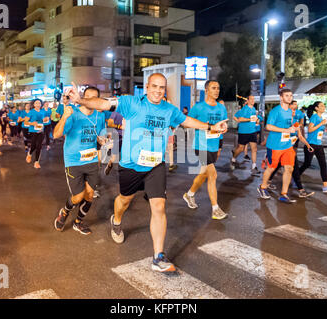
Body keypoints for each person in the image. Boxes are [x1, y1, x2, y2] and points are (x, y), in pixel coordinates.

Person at [65, 73, 228, 273]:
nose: (158, 91)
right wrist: (80, 99)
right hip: (131, 165)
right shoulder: (131, 102)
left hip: (155, 166)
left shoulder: (169, 109)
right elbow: (104, 104)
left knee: (159, 206)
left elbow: (187, 121)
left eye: (162, 87)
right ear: (147, 87)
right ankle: (116, 221)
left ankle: (158, 256)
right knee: (124, 201)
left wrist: (212, 127)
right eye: (155, 86)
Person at [53, 87, 106, 235]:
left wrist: (103, 139)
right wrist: (64, 117)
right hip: (74, 161)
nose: (91, 100)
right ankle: (64, 212)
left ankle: (78, 222)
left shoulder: (99, 116)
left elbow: (100, 134)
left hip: (91, 160)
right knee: (78, 197)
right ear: (82, 97)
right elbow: (56, 134)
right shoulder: (73, 113)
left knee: (89, 195)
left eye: (94, 97)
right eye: (87, 97)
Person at [183, 80, 229, 220]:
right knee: (213, 175)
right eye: (213, 88)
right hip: (200, 145)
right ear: (206, 90)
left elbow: (223, 126)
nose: (217, 90)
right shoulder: (198, 108)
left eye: (218, 88)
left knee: (204, 174)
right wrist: (206, 126)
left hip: (214, 145)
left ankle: (189, 195)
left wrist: (223, 129)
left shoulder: (221, 108)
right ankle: (215, 209)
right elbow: (186, 124)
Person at [257, 89, 310, 203]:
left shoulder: (290, 112)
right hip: (275, 145)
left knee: (289, 168)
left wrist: (294, 128)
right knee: (271, 168)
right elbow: (269, 127)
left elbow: (290, 125)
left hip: (287, 145)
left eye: (291, 96)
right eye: (287, 95)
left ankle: (284, 194)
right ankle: (262, 187)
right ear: (281, 97)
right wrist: (285, 130)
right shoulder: (276, 111)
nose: (289, 98)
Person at [267, 100, 315, 198]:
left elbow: (300, 137)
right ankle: (267, 182)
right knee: (274, 167)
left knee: (294, 168)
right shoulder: (282, 122)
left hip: (289, 149)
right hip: (278, 147)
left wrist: (308, 145)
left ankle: (300, 190)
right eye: (291, 110)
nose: (294, 112)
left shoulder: (296, 124)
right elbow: (272, 130)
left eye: (294, 111)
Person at [298, 101, 327, 193]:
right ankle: (295, 176)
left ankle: (325, 186)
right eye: (322, 106)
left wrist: (324, 129)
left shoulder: (320, 118)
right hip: (311, 144)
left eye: (324, 106)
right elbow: (310, 129)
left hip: (319, 145)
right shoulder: (314, 117)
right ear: (316, 108)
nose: (324, 107)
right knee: (307, 164)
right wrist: (321, 124)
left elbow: (318, 130)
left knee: (323, 165)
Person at [231, 96, 261, 176]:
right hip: (243, 132)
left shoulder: (253, 109)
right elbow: (240, 118)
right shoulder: (245, 109)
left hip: (252, 131)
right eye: (251, 99)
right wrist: (249, 119)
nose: (252, 100)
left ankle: (254, 166)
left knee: (254, 149)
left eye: (253, 99)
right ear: (247, 101)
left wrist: (257, 120)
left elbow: (254, 118)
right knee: (240, 148)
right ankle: (233, 158)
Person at [24, 99, 45, 169]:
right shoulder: (31, 112)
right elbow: (25, 122)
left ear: (41, 104)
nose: (38, 104)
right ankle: (29, 154)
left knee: (39, 146)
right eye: (36, 103)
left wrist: (45, 120)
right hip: (33, 131)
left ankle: (36, 162)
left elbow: (43, 121)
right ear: (34, 105)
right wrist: (32, 123)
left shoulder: (42, 112)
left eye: (39, 103)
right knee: (33, 146)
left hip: (41, 131)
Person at [104, 110, 124, 175]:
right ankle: (110, 163)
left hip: (127, 136)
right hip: (117, 136)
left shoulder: (132, 113)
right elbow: (109, 123)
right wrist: (120, 126)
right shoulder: (116, 112)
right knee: (114, 155)